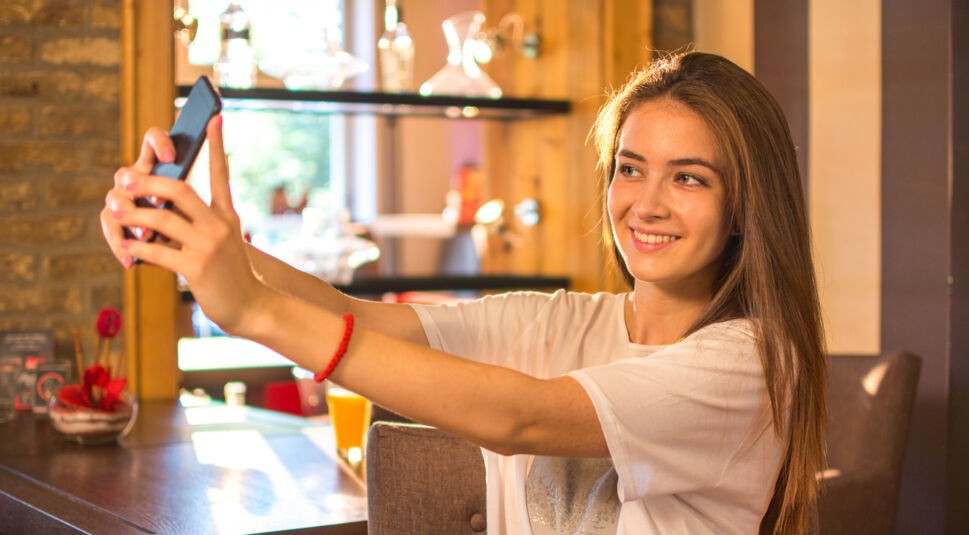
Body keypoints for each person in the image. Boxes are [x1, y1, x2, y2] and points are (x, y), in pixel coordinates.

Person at [101, 51, 825, 534]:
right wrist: (224, 253)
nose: (647, 202)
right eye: (630, 169)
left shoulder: (750, 367)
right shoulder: (566, 322)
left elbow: (522, 418)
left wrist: (254, 310)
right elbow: (360, 321)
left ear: (743, 209)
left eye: (688, 177)